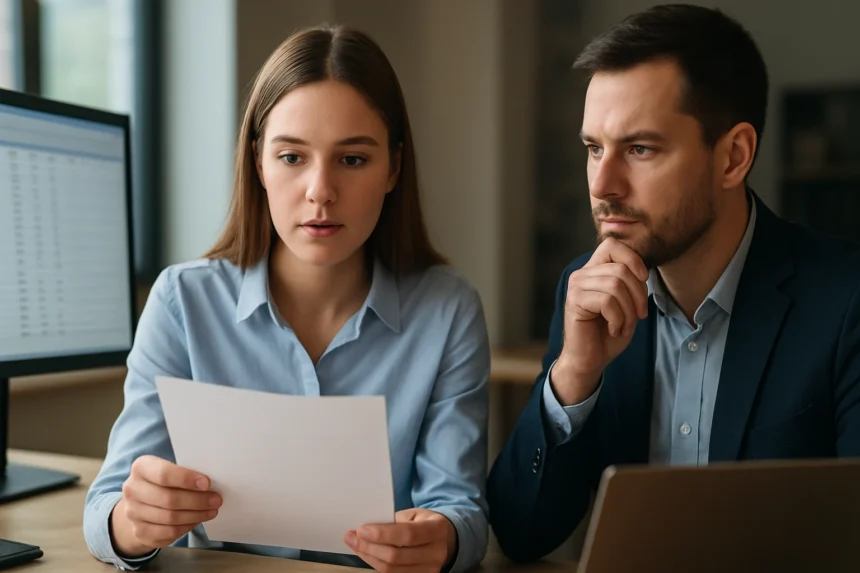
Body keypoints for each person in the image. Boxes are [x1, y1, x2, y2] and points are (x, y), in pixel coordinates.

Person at [84, 25, 490, 573]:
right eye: (292, 157)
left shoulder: (448, 310)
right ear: (258, 163)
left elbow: (461, 510)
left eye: (352, 160)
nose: (320, 191)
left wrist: (445, 540)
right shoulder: (182, 302)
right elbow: (106, 506)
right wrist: (131, 524)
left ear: (393, 167)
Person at [487, 3, 860, 562]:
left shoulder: (845, 300)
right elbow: (520, 533)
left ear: (733, 156)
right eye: (594, 149)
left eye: (640, 149)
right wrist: (574, 376)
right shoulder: (585, 288)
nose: (604, 185)